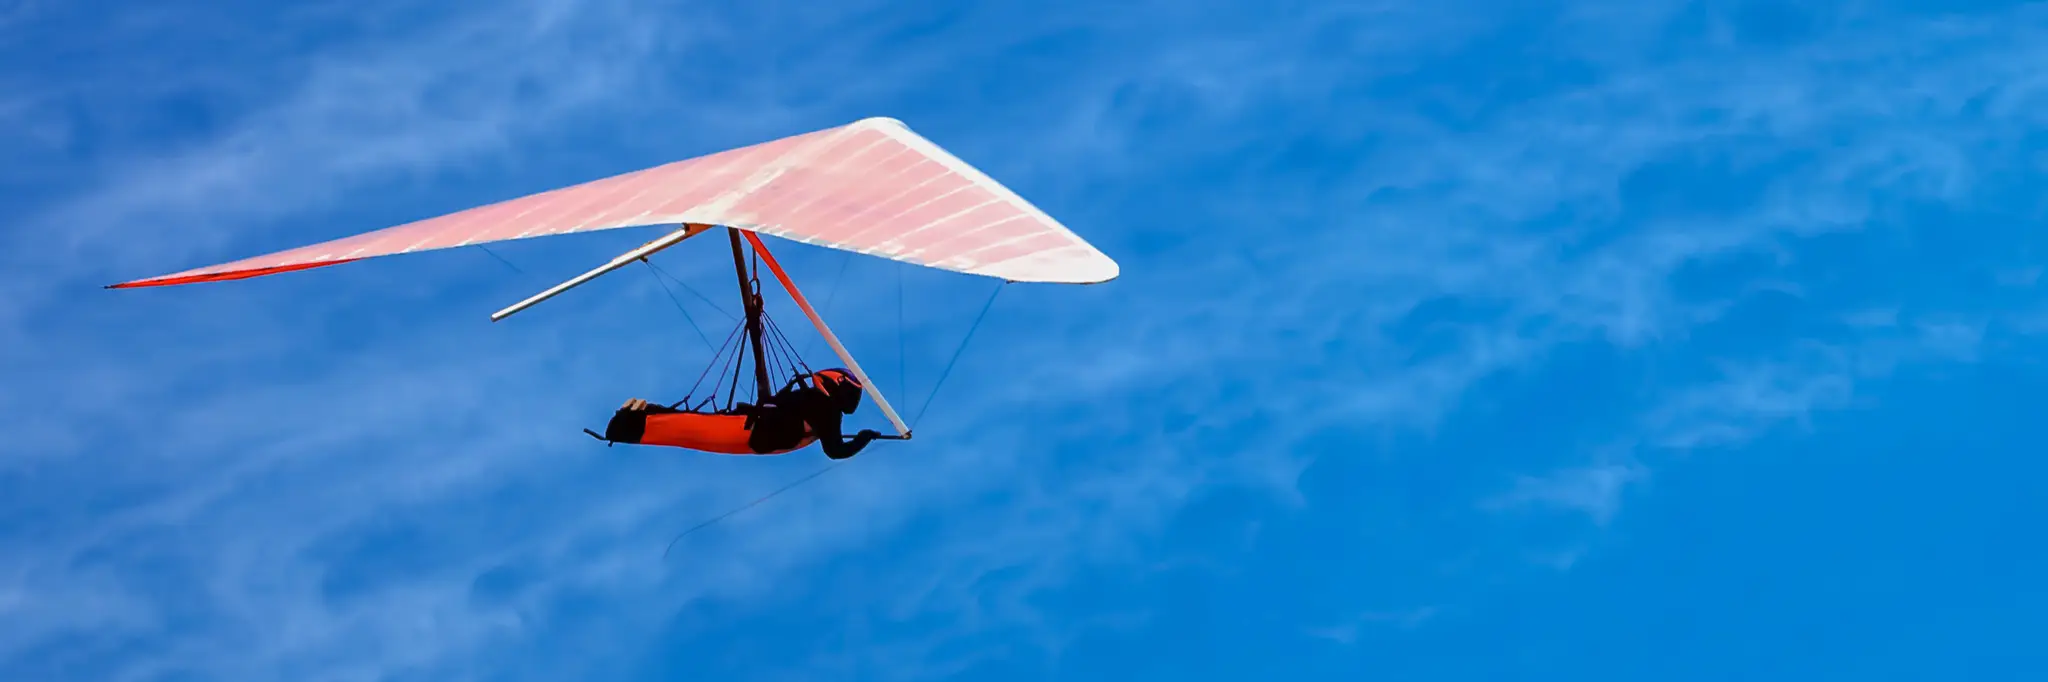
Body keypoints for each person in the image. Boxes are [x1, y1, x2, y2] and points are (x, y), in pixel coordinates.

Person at [601, 367, 881, 459]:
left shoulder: (809, 398)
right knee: (689, 429)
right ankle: (630, 421)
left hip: (750, 426)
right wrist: (864, 439)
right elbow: (835, 451)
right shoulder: (826, 408)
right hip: (753, 432)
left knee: (691, 427)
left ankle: (634, 417)